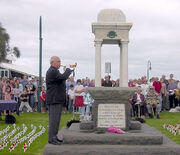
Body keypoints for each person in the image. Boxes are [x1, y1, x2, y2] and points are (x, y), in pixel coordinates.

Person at [46, 56, 73, 145]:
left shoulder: (55, 71)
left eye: (60, 61)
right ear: (52, 62)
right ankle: (52, 138)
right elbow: (63, 77)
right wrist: (69, 70)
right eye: (58, 61)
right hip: (54, 100)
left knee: (56, 120)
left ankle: (54, 137)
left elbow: (61, 79)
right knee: (54, 120)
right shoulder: (52, 71)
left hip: (56, 99)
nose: (60, 63)